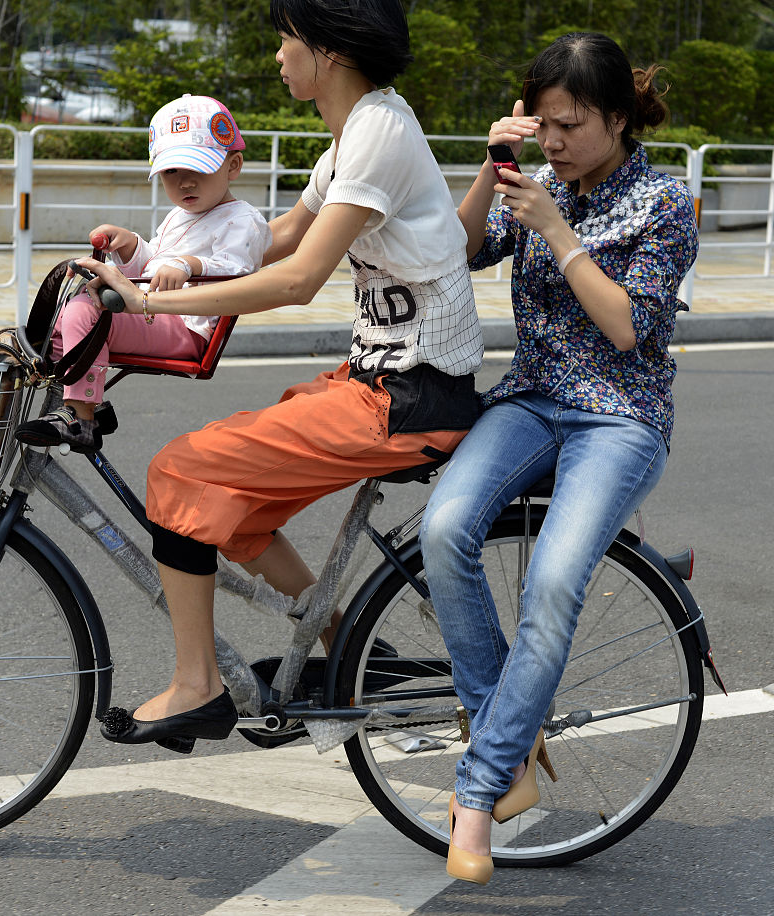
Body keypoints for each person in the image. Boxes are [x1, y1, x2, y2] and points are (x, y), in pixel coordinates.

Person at [77, 0, 484, 754]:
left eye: (286, 38)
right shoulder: (352, 140)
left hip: (407, 397)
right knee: (233, 512)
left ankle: (197, 686)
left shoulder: (379, 133)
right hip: (382, 380)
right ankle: (347, 641)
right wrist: (154, 258)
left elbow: (298, 279)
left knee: (179, 472)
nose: (278, 55)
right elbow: (278, 237)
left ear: (330, 49)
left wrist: (147, 302)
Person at [418, 32, 700, 885]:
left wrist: (556, 228)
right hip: (532, 399)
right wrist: (491, 167)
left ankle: (480, 788)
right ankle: (509, 732)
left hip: (621, 417)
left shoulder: (663, 202)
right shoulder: (536, 181)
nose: (554, 142)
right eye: (541, 125)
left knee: (551, 583)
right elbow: (459, 251)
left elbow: (629, 328)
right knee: (443, 530)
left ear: (616, 118)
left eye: (569, 125)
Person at [15, 94, 272, 452]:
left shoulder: (243, 220)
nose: (185, 182)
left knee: (86, 313)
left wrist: (190, 265)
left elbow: (238, 274)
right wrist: (130, 246)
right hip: (156, 312)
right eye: (171, 172)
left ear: (233, 166)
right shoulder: (179, 215)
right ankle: (92, 405)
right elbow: (153, 269)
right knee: (58, 323)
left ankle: (81, 418)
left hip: (187, 325)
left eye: (199, 168)